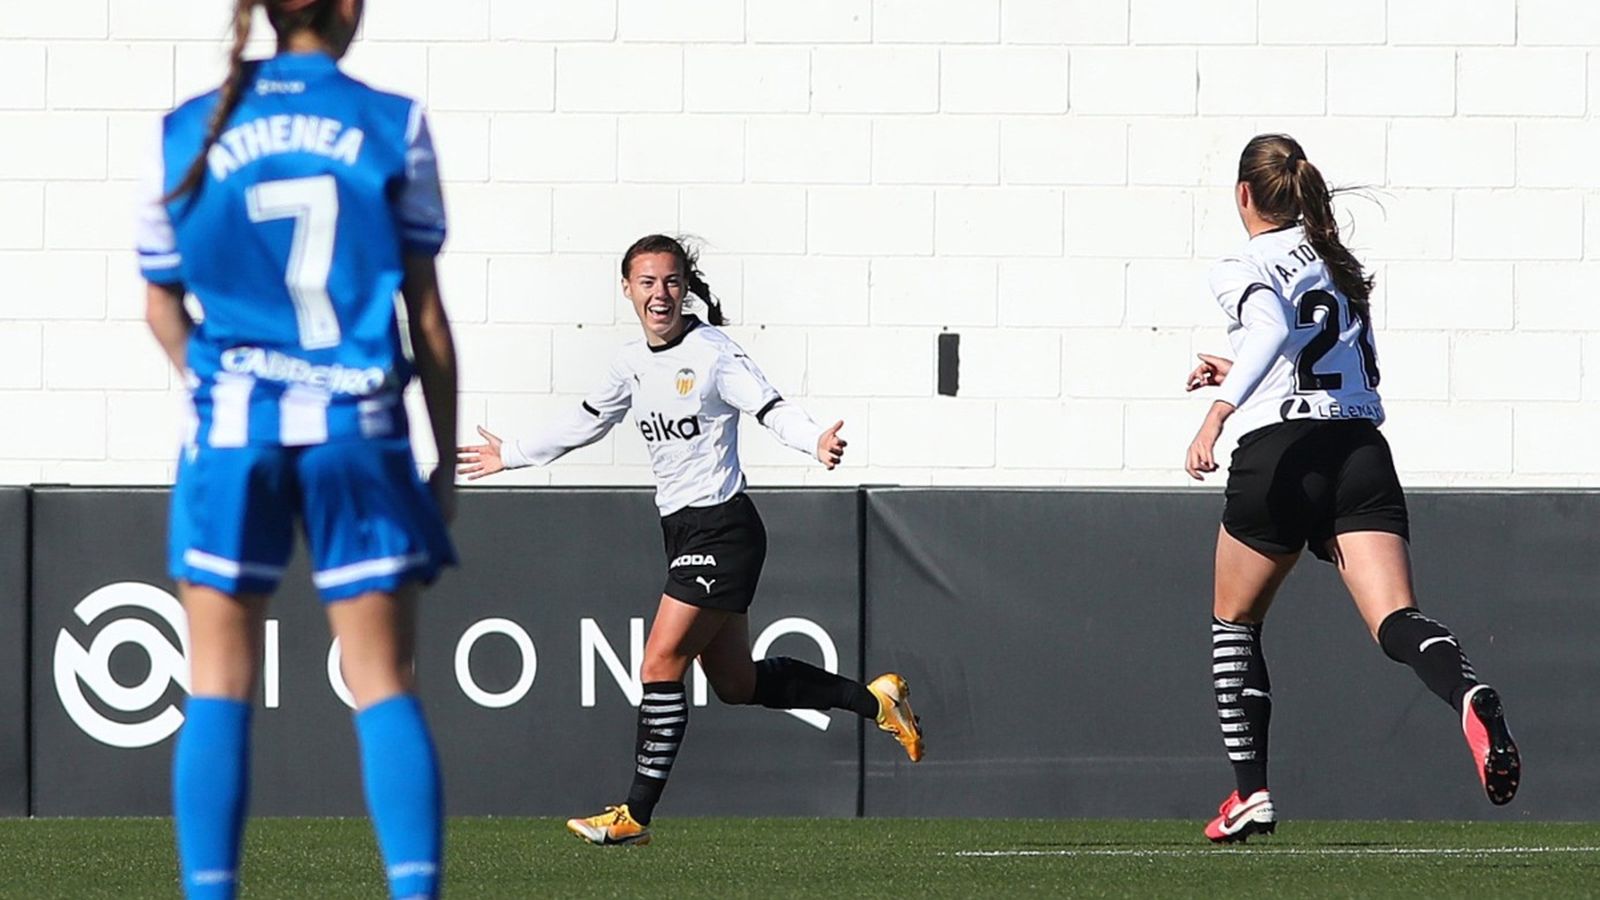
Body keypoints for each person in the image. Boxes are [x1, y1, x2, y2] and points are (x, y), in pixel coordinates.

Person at [136, 1, 457, 896]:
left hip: (234, 431)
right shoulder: (395, 125)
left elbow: (160, 307)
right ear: (348, 7)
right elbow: (424, 319)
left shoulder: (185, 129)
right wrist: (438, 461)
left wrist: (219, 385)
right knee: (383, 681)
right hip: (357, 428)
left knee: (218, 684)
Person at [457, 234, 923, 846]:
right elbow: (583, 423)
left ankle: (635, 815)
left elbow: (770, 407)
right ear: (627, 289)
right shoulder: (629, 363)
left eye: (671, 281)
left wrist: (812, 440)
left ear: (686, 288)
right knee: (736, 685)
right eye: (647, 282)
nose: (660, 294)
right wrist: (510, 455)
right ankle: (877, 702)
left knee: (658, 661)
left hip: (724, 528)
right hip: (681, 532)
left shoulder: (712, 353)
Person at [1183, 134, 1519, 843]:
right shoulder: (1335, 257)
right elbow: (1314, 350)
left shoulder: (1242, 262)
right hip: (1361, 450)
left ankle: (1251, 795)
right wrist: (1241, 366)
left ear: (1244, 194)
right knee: (1396, 619)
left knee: (1234, 623)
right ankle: (1468, 693)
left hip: (1282, 454)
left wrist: (1220, 409)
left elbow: (1274, 326)